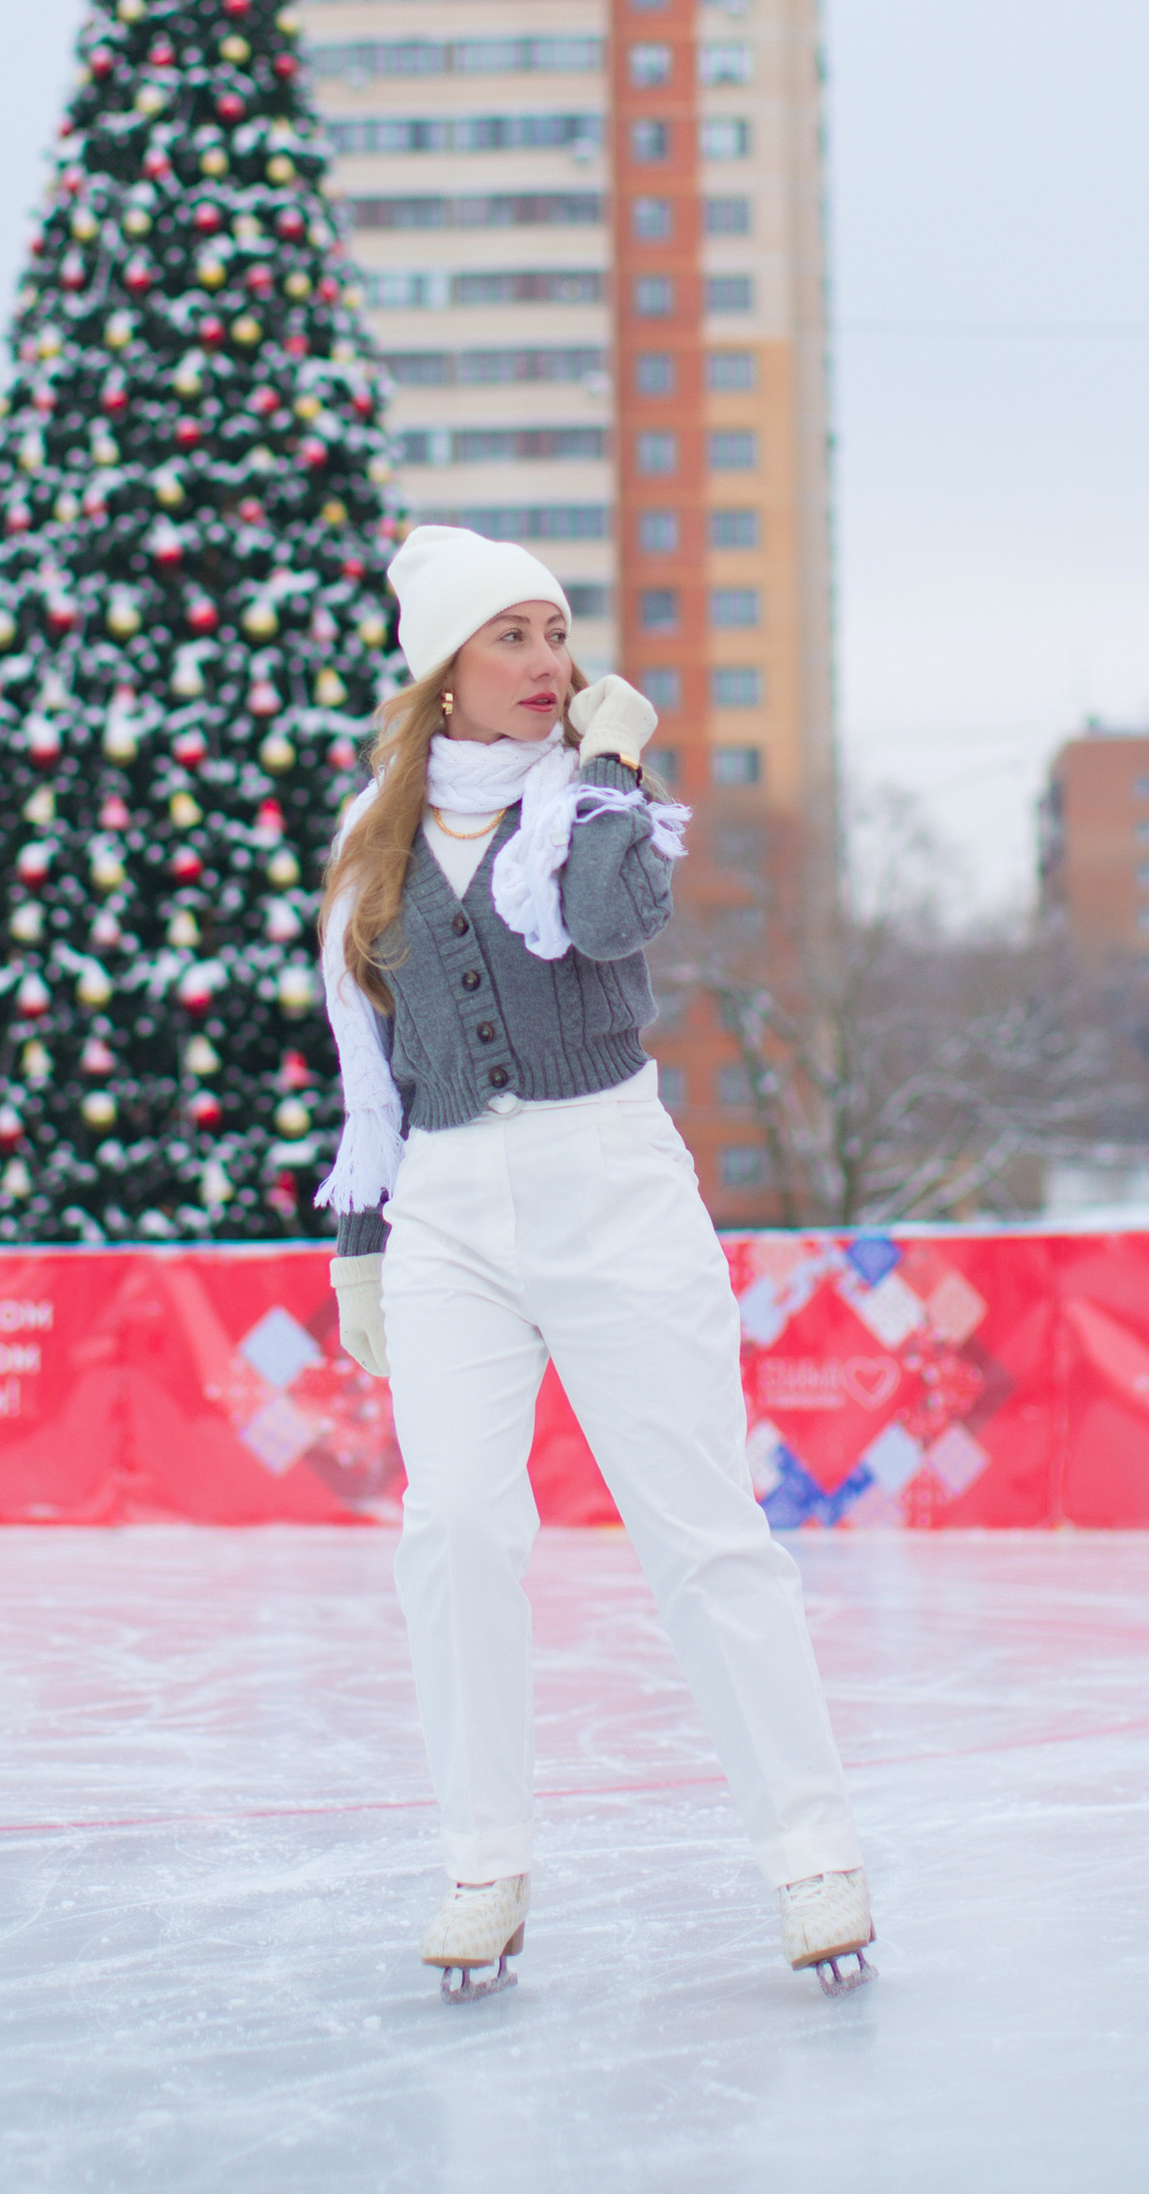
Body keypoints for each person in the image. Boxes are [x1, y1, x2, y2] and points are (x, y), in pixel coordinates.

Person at [318, 522, 874, 1998]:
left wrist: (618, 773)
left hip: (610, 1183)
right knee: (454, 1535)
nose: (549, 664)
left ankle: (813, 1852)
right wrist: (362, 1252)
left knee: (701, 1534)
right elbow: (369, 1075)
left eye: (557, 635)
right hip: (443, 1203)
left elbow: (604, 920)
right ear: (443, 671)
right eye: (512, 637)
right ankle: (482, 1867)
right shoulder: (373, 843)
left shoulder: (591, 805)